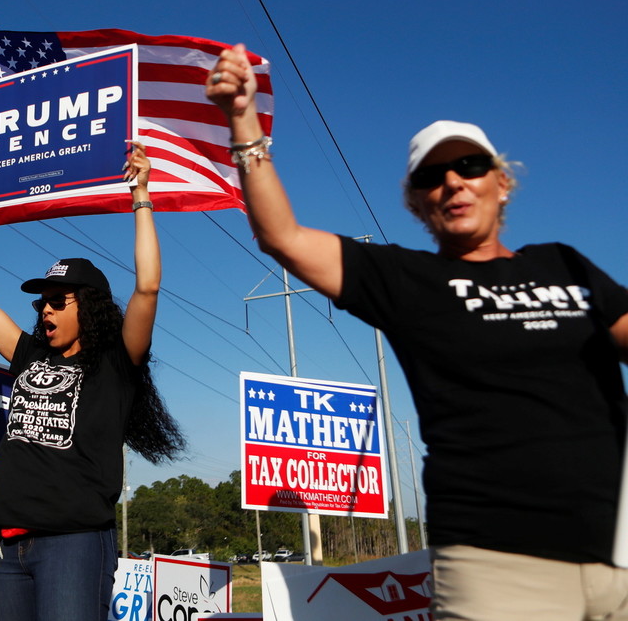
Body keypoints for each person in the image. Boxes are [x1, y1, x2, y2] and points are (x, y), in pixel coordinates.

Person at [206, 43, 628, 620]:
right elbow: (283, 237)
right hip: (498, 564)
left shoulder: (565, 263)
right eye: (433, 176)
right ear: (416, 203)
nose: (453, 182)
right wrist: (242, 121)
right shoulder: (408, 280)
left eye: (470, 167)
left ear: (501, 182)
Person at [0, 142, 185, 620]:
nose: (46, 309)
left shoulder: (117, 363)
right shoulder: (30, 354)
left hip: (74, 543)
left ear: (91, 306)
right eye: (43, 303)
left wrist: (141, 195)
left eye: (59, 300)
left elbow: (148, 286)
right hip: (5, 543)